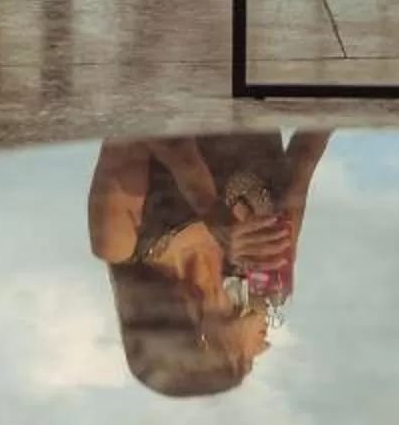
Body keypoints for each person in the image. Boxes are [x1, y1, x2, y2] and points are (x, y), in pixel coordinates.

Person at [88, 131, 331, 398]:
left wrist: (207, 205)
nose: (263, 348)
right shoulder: (259, 269)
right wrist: (286, 239)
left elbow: (138, 115)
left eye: (245, 361)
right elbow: (309, 144)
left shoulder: (120, 243)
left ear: (202, 343)